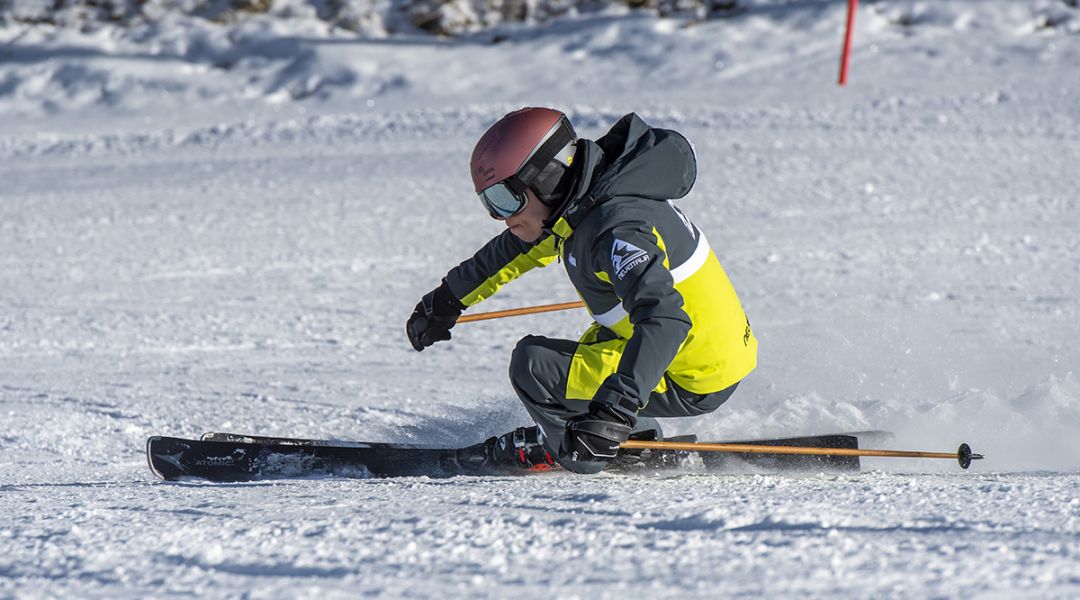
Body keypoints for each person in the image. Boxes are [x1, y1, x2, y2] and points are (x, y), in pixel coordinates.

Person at [407, 107, 757, 474]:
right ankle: (622, 430)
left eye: (506, 200)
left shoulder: (616, 229)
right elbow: (516, 248)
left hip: (691, 376)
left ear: (546, 178)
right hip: (709, 354)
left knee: (534, 367)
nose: (503, 217)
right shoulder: (588, 203)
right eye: (490, 203)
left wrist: (614, 411)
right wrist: (448, 299)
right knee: (588, 346)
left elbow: (665, 321)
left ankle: (579, 449)